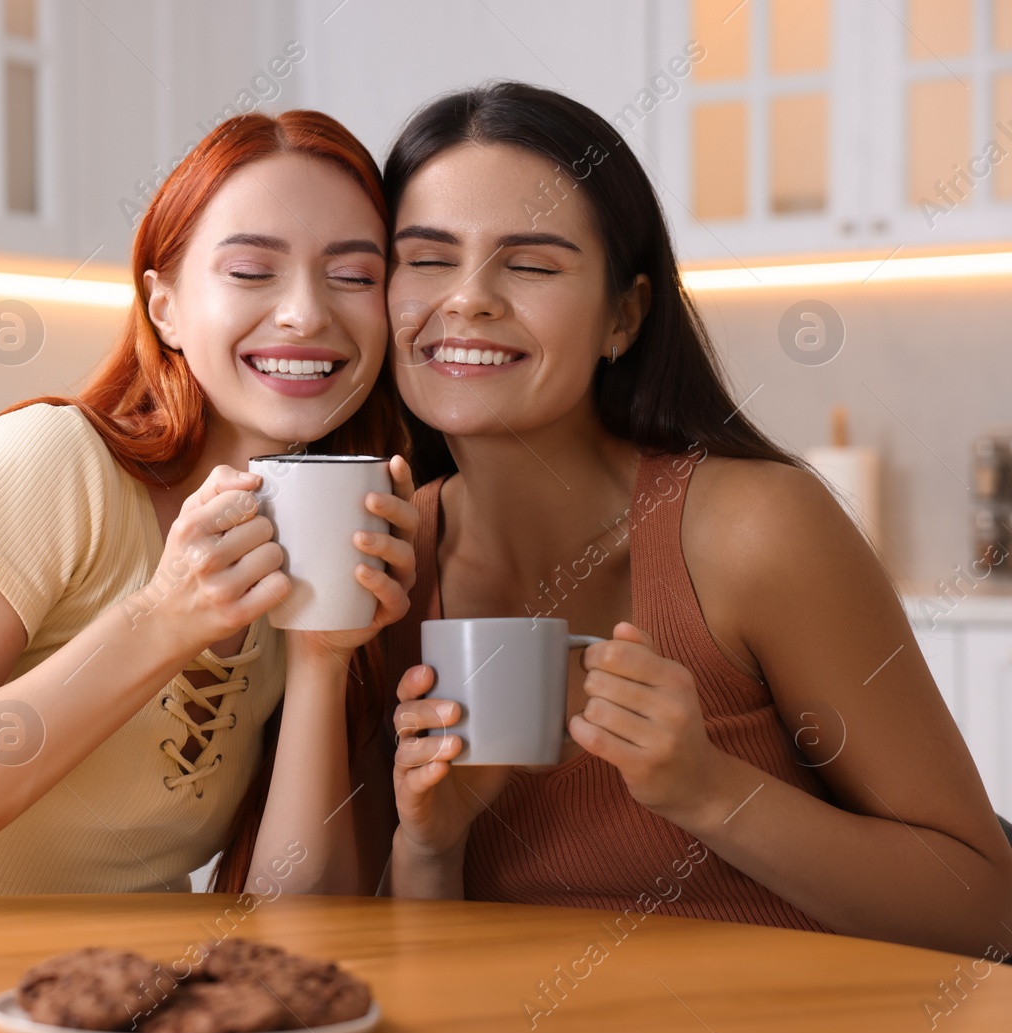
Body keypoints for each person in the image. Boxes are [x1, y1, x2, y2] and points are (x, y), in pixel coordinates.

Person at [378, 82, 1012, 955]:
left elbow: (982, 906)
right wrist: (429, 845)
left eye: (531, 263)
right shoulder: (380, 564)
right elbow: (416, 981)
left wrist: (709, 789)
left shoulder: (754, 532)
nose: (469, 299)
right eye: (427, 258)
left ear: (624, 317)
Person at [0, 109, 416, 904]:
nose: (307, 312)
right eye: (250, 271)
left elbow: (298, 916)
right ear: (164, 306)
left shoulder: (312, 534)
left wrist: (320, 657)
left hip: (136, 1007)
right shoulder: (52, 465)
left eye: (353, 276)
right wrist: (163, 619)